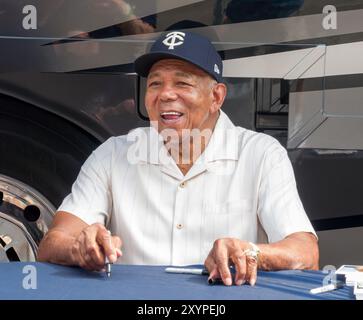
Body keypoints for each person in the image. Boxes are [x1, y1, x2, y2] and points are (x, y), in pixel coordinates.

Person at [37, 31, 319, 286]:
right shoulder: (112, 154)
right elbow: (52, 244)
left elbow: (305, 252)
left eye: (182, 83)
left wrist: (251, 252)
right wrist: (79, 247)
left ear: (216, 97)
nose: (165, 94)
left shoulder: (261, 153)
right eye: (155, 84)